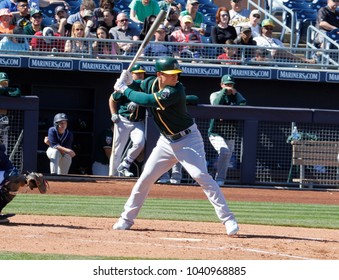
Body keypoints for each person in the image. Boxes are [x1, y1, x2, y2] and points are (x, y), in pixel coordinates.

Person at [112, 57, 239, 236]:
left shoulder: (176, 90)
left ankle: (228, 219)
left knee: (200, 175)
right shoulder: (149, 82)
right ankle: (126, 219)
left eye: (177, 74)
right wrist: (128, 82)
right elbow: (128, 93)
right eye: (171, 74)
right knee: (145, 178)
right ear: (159, 75)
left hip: (188, 139)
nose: (176, 77)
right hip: (166, 142)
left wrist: (125, 88)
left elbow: (148, 100)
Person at [108, 64, 146, 177]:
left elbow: (148, 97)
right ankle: (113, 175)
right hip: (124, 120)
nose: (140, 75)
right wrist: (113, 114)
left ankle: (124, 165)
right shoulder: (124, 86)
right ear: (131, 75)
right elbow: (112, 99)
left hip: (138, 121)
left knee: (140, 143)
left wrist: (137, 101)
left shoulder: (145, 85)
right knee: (117, 150)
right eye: (137, 73)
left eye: (142, 73)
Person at [208, 74, 246, 186]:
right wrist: (224, 92)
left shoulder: (236, 96)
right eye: (226, 84)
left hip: (230, 133)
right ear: (221, 85)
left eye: (231, 85)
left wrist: (237, 94)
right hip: (216, 132)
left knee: (226, 156)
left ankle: (220, 180)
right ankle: (214, 178)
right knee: (224, 151)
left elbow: (244, 106)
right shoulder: (215, 94)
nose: (229, 87)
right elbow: (216, 105)